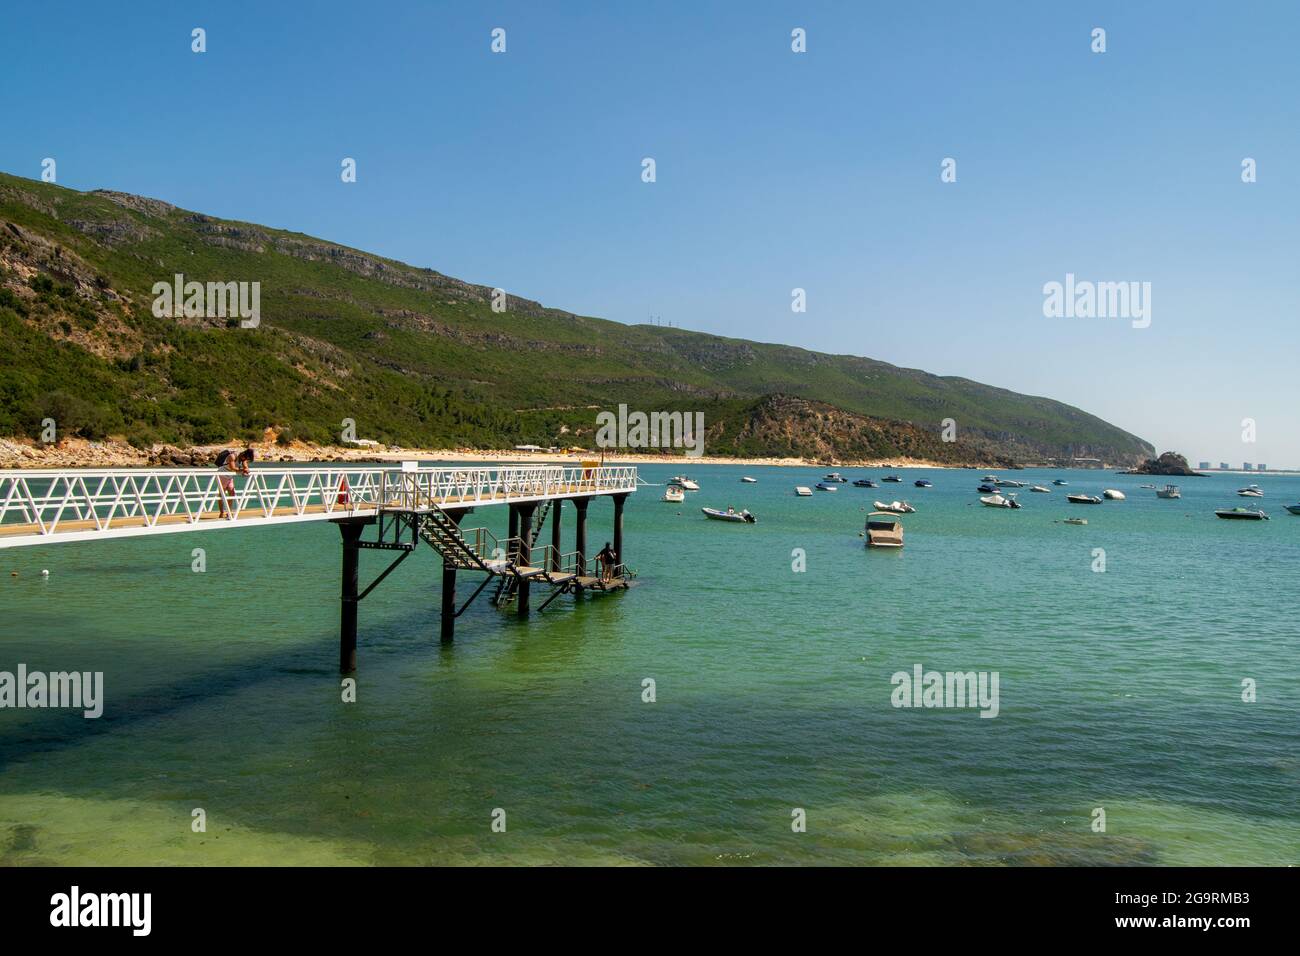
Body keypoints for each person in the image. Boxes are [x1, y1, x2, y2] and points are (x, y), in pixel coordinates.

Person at [214, 447, 254, 518]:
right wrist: (242, 470)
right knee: (222, 494)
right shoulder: (232, 456)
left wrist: (246, 470)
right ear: (242, 454)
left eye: (246, 459)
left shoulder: (243, 458)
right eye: (245, 458)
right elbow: (233, 468)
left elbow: (245, 467)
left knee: (232, 493)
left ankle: (228, 512)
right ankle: (221, 512)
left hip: (229, 476)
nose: (244, 460)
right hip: (222, 474)